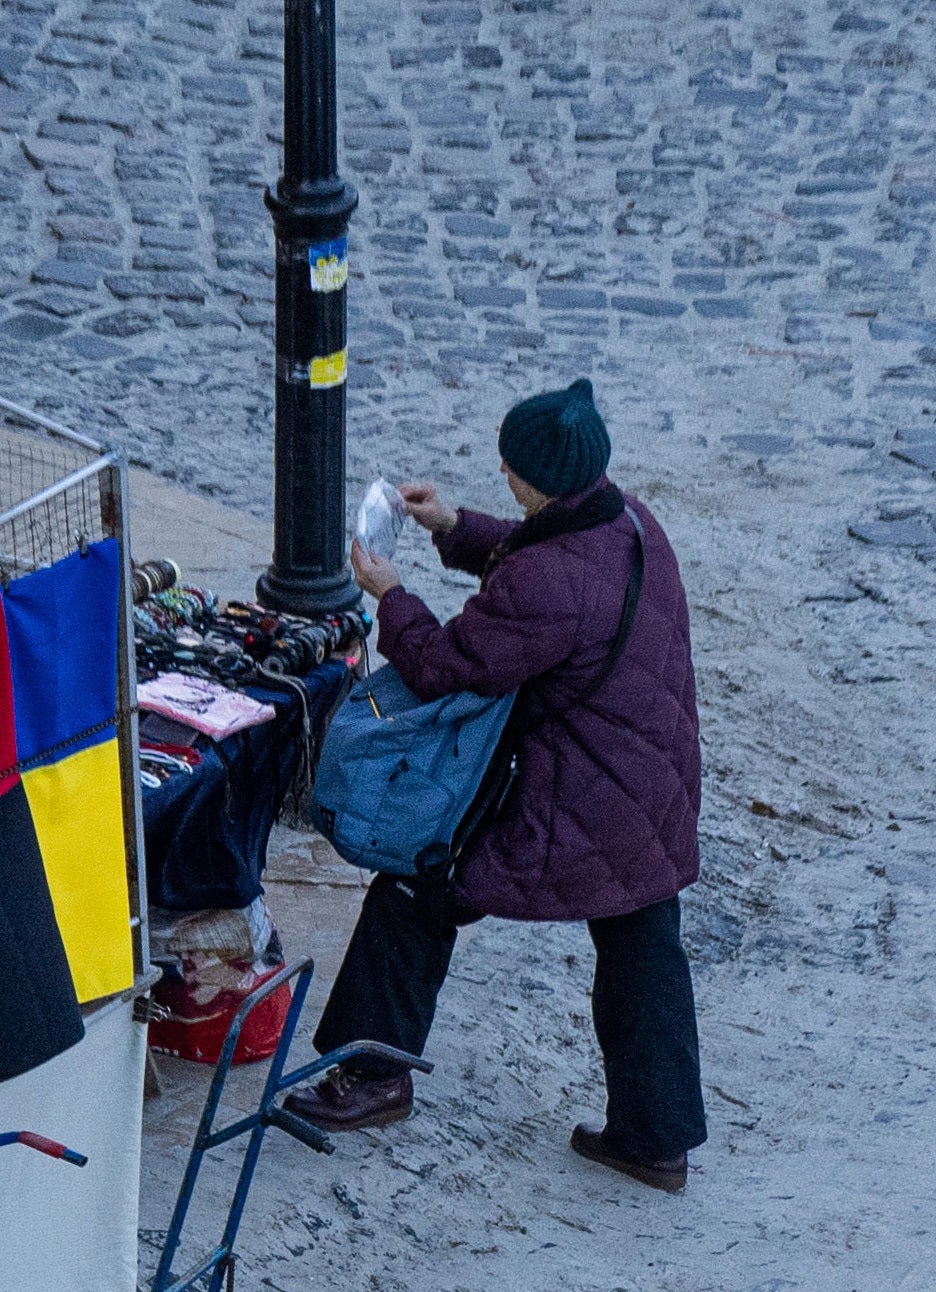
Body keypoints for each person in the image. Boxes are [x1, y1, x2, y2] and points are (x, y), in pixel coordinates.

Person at [297, 380, 709, 1192]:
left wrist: (393, 595)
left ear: (540, 479)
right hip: (648, 784)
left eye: (512, 466)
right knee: (642, 938)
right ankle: (655, 1138)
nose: (503, 471)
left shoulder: (552, 580)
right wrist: (453, 526)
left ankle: (373, 1074)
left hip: (578, 795)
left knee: (421, 884)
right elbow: (542, 557)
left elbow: (448, 664)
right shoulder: (628, 522)